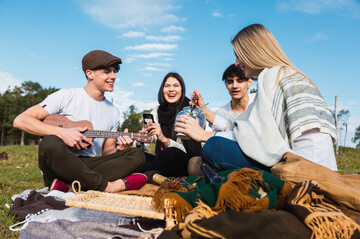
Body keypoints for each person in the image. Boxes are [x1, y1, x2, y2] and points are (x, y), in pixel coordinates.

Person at [175, 24, 337, 172]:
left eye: (239, 55)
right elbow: (242, 127)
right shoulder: (287, 75)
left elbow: (254, 136)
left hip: (303, 171)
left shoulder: (272, 76)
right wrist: (204, 110)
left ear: (254, 51)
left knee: (214, 147)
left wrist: (204, 135)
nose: (237, 63)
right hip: (323, 169)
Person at [13, 50, 147, 193]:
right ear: (90, 74)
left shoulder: (113, 111)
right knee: (49, 142)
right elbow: (20, 120)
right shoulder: (66, 96)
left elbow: (107, 151)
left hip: (90, 166)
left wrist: (120, 150)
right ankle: (107, 186)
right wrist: (63, 133)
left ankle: (69, 186)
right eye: (107, 72)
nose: (113, 76)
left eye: (114, 72)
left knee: (137, 155)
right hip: (60, 164)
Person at [141, 72, 202, 177]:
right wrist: (142, 138)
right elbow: (148, 146)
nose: (171, 89)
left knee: (171, 153)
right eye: (167, 86)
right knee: (139, 156)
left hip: (185, 161)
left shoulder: (189, 111)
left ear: (182, 90)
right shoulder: (157, 111)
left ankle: (142, 175)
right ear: (162, 90)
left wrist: (165, 140)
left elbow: (192, 153)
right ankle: (147, 174)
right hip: (161, 159)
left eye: (176, 86)